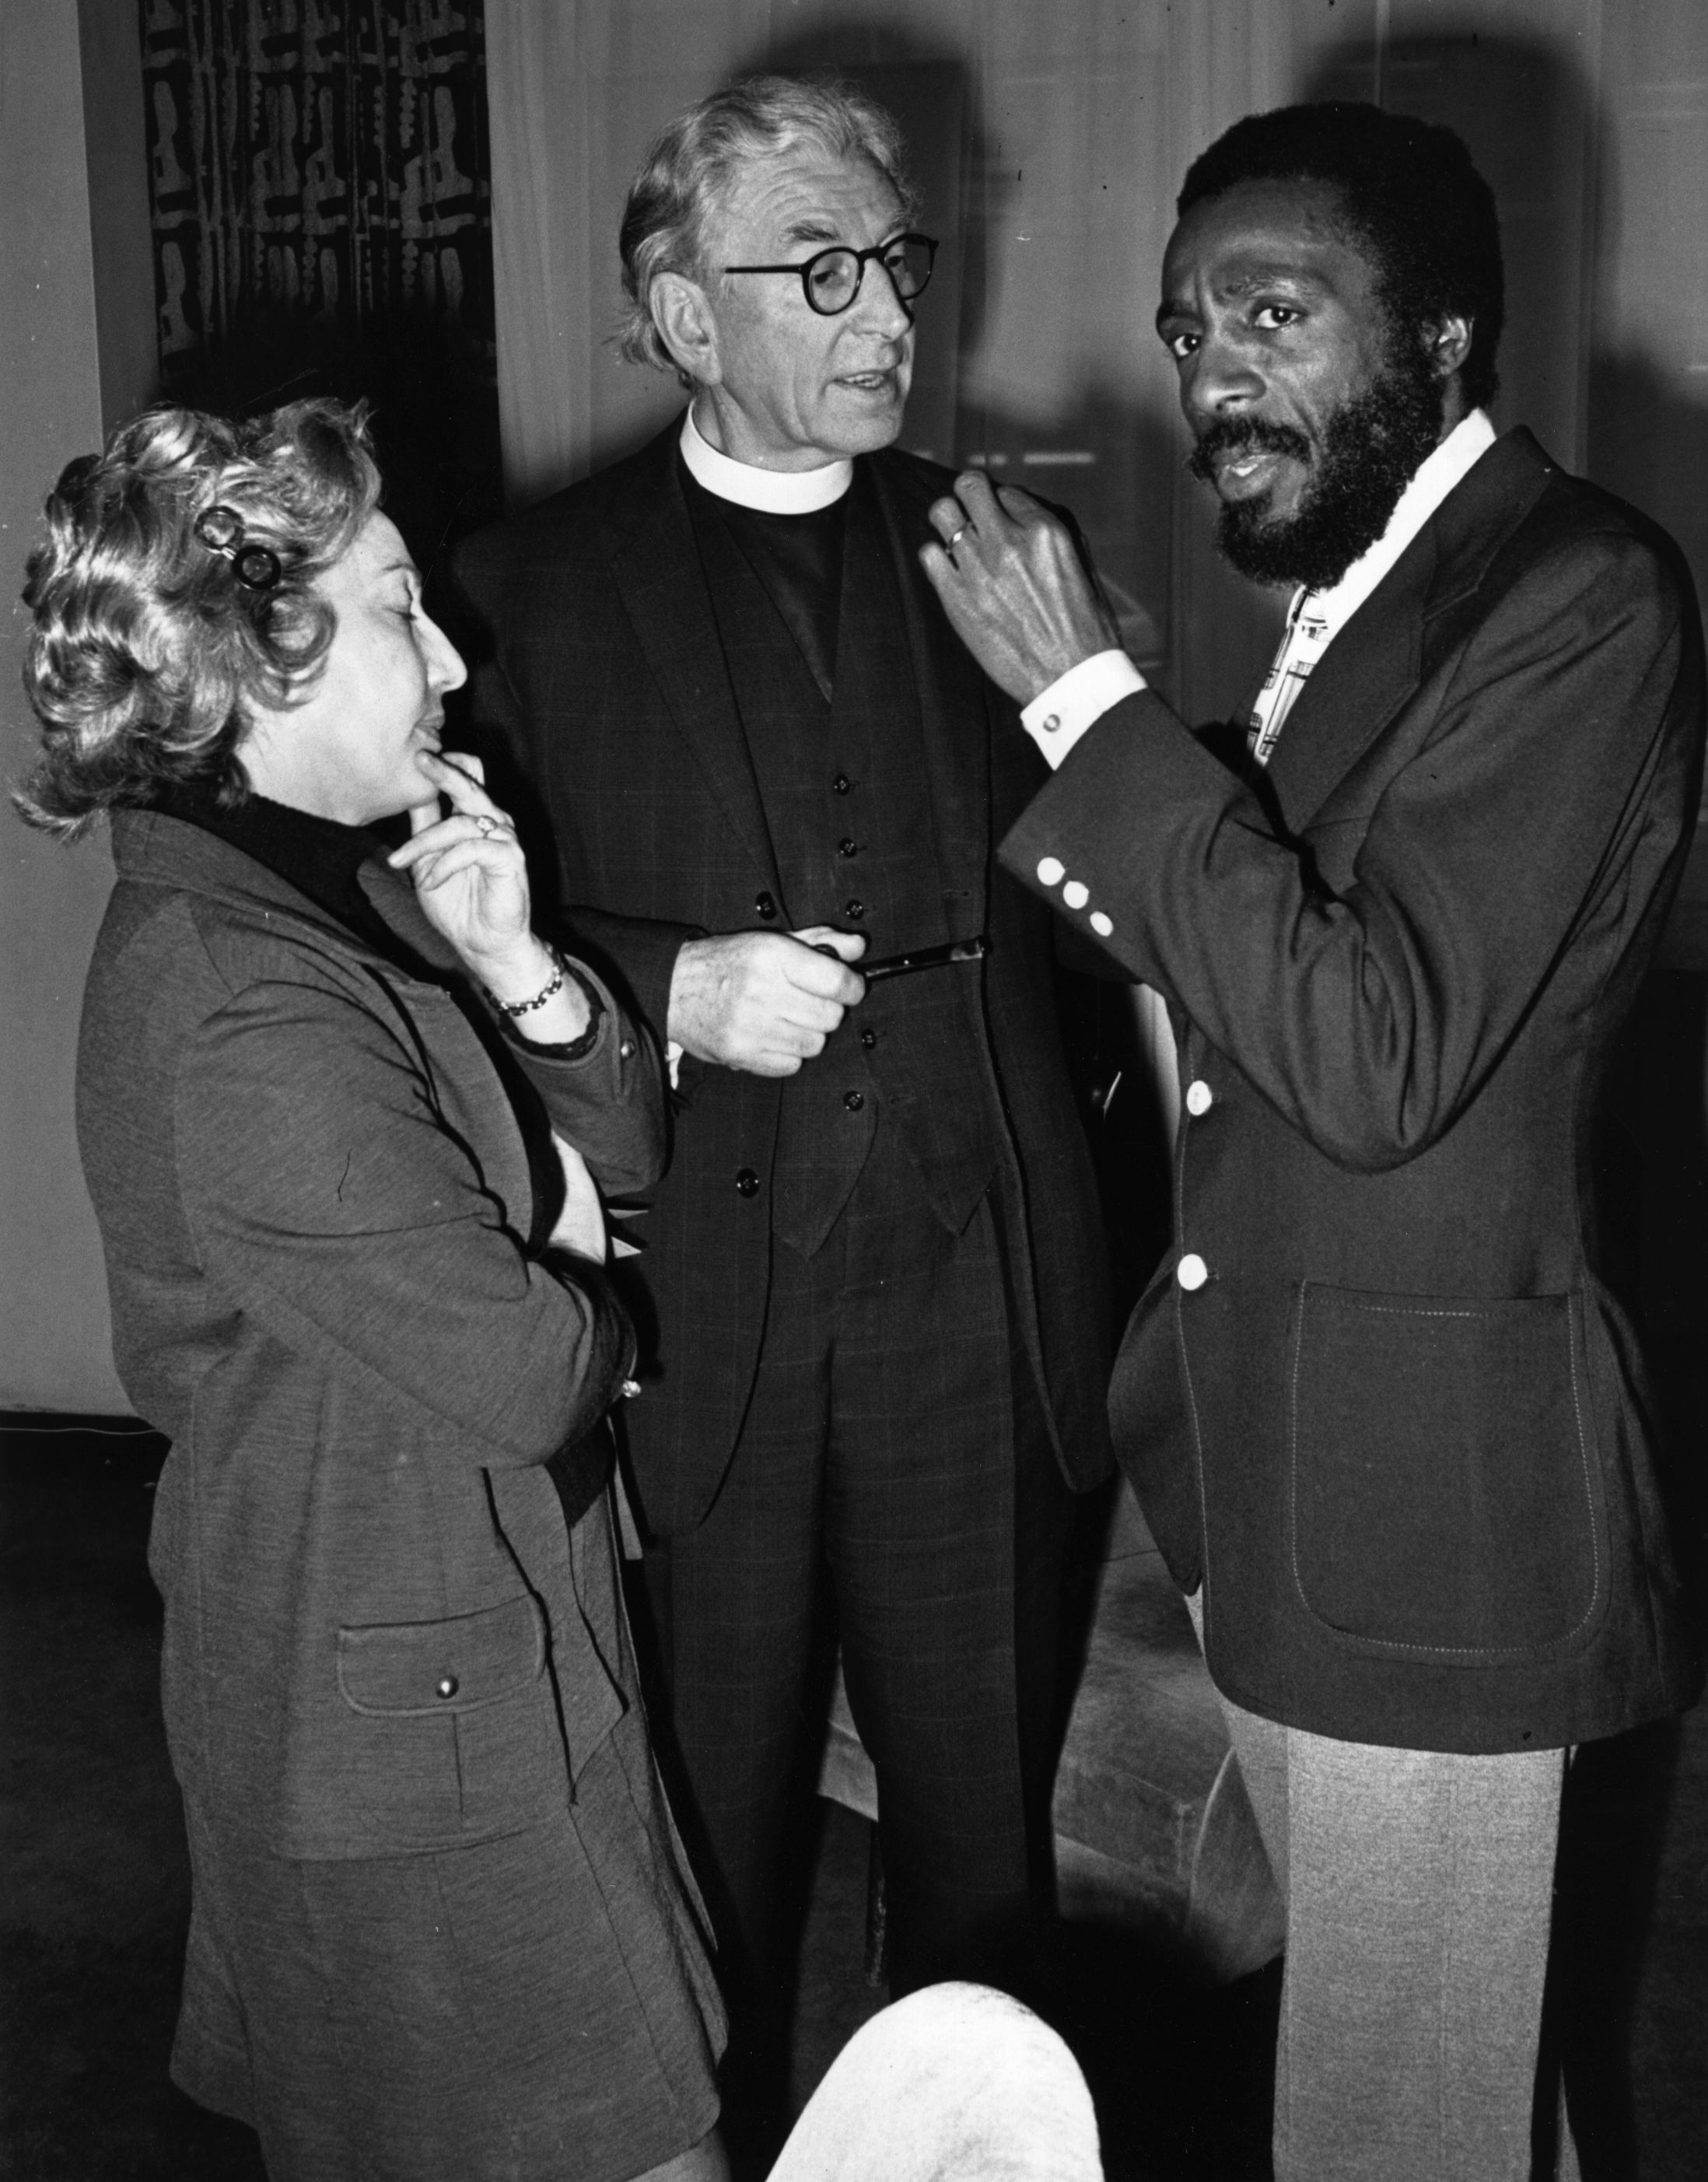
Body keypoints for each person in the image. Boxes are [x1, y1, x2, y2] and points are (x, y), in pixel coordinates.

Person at [917, 101, 1705, 2182]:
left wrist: (1092, 712)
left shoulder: (1577, 592)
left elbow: (1372, 1051)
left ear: (1438, 334)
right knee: (1439, 2084)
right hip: (1271, 1465)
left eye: (1272, 309)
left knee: (1391, 2113)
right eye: (1186, 329)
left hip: (1428, 1517)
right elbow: (1244, 1021)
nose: (1209, 371)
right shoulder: (1372, 595)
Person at [448, 74, 1112, 2060]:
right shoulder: (520, 595)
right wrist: (667, 983)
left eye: (896, 259)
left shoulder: (1002, 550)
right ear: (680, 315)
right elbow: (436, 945)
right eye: (817, 272)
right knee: (701, 1856)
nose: (885, 313)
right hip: (693, 1330)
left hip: (974, 1313)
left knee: (985, 1865)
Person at [16, 400, 727, 2182]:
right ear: (265, 660)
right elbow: (524, 1372)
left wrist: (520, 967)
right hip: (406, 1721)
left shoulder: (345, 898)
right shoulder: (243, 997)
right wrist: (578, 1262)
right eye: (406, 605)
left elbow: (619, 1154)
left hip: (463, 1646)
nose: (452, 653)